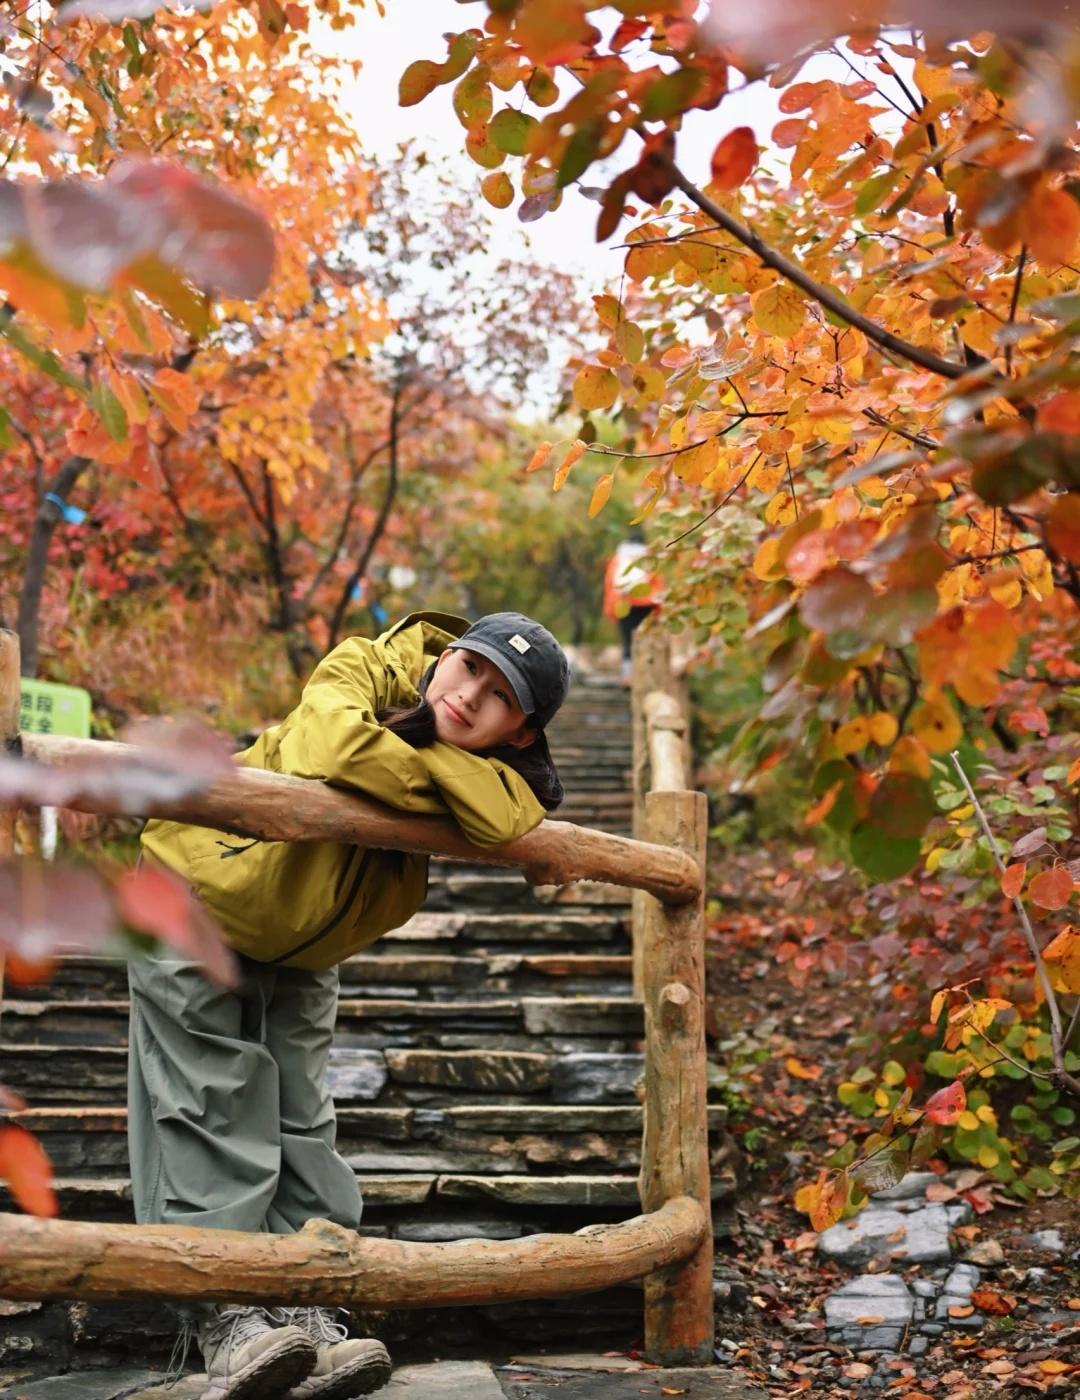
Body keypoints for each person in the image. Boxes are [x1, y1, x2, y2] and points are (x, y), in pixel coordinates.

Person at [129, 611, 571, 1400]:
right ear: (448, 653)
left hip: (306, 939)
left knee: (304, 1120)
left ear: (522, 734)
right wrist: (448, 787)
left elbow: (511, 816)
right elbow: (336, 745)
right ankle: (229, 1316)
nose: (468, 695)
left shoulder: (488, 763)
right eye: (468, 667)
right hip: (195, 896)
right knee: (207, 1103)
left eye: (499, 697)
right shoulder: (363, 664)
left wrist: (415, 772)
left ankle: (304, 1307)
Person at [602, 527, 662, 682]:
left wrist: (611, 610)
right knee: (648, 640)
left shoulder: (617, 559)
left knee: (628, 640)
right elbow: (658, 585)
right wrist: (659, 609)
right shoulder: (650, 558)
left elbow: (610, 585)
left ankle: (627, 675)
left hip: (623, 604)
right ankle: (648, 675)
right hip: (647, 605)